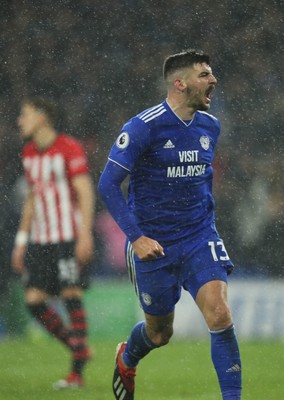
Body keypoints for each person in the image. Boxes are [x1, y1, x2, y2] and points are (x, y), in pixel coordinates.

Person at [98, 49, 242, 400]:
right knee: (160, 333)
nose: (213, 80)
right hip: (154, 244)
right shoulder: (143, 127)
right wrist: (137, 238)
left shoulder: (211, 126)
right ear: (180, 83)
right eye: (205, 74)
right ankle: (128, 356)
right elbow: (107, 184)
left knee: (220, 314)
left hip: (198, 236)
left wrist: (203, 222)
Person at [11, 96, 95, 389]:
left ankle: (76, 373)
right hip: (41, 239)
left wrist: (85, 232)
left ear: (42, 116)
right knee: (33, 301)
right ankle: (78, 346)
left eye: (25, 114)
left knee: (70, 293)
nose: (20, 121)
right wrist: (21, 240)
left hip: (67, 236)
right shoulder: (29, 153)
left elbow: (84, 191)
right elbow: (33, 199)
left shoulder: (68, 148)